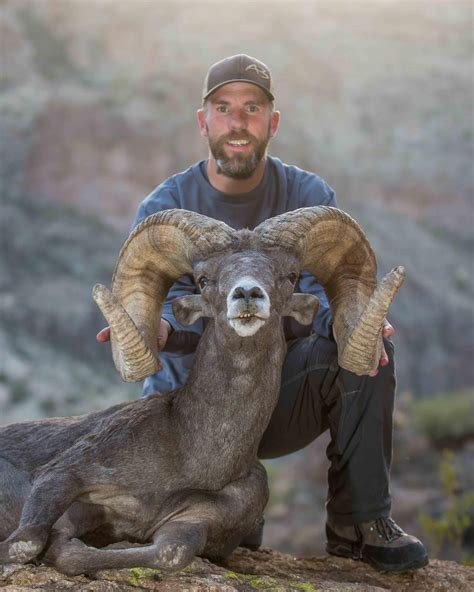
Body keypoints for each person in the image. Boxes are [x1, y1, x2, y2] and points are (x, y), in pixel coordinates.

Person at [97, 54, 428, 572]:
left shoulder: (308, 199)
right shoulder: (166, 207)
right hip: (191, 412)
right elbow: (155, 309)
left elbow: (323, 300)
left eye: (252, 108)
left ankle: (359, 520)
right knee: (230, 544)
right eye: (224, 108)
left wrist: (353, 322)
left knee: (370, 352)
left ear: (271, 122)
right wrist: (152, 331)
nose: (238, 121)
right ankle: (202, 502)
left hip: (271, 393)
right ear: (203, 121)